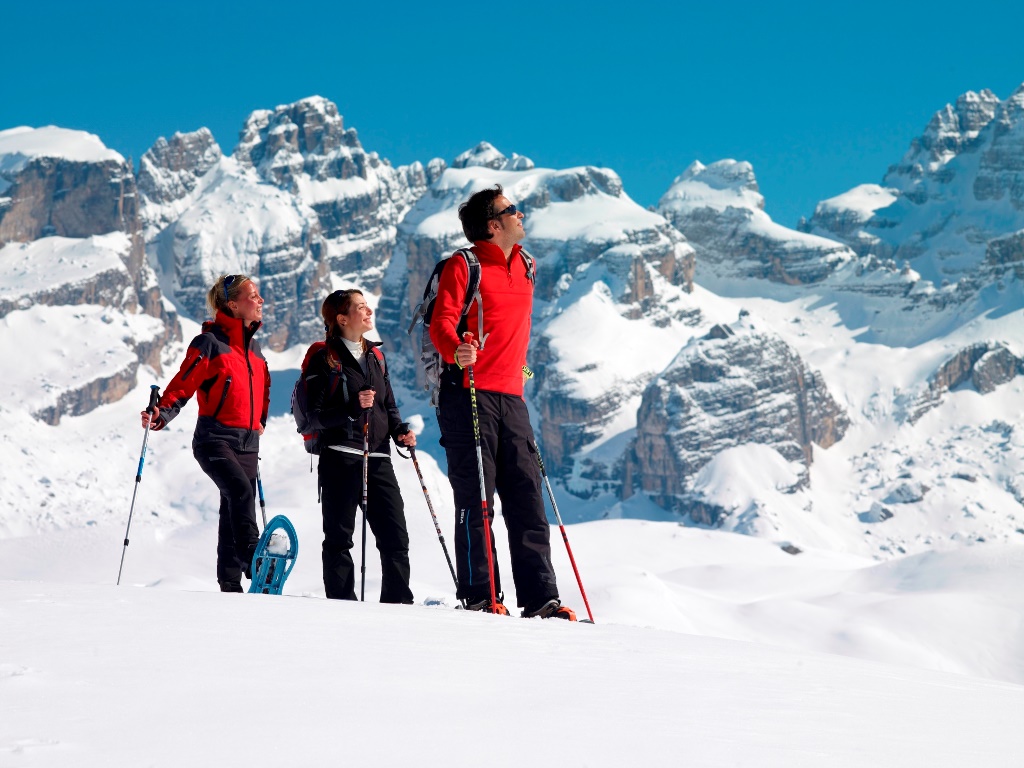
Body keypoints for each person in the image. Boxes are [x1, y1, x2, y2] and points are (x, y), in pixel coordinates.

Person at [430, 185, 574, 619]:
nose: (521, 214)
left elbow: (512, 338)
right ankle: (481, 595)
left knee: (528, 500)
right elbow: (442, 322)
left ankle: (542, 599)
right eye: (512, 210)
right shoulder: (464, 265)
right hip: (468, 393)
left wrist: (524, 374)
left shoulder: (527, 265)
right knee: (477, 499)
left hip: (513, 396)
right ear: (494, 225)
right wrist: (456, 349)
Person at [141, 274, 271, 592]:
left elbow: (262, 390)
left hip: (248, 442)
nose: (260, 301)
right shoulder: (210, 344)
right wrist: (162, 412)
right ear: (233, 305)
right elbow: (184, 381)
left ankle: (229, 583)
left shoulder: (255, 352)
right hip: (215, 439)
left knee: (233, 507)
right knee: (241, 493)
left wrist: (261, 420)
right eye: (253, 296)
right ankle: (254, 558)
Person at [305, 289, 416, 603]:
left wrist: (400, 432)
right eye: (361, 307)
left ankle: (397, 603)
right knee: (340, 538)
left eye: (369, 306)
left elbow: (389, 406)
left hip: (379, 456)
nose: (370, 312)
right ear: (342, 319)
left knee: (395, 536)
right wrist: (352, 409)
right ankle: (342, 605)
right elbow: (314, 417)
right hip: (340, 457)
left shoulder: (377, 357)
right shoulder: (323, 357)